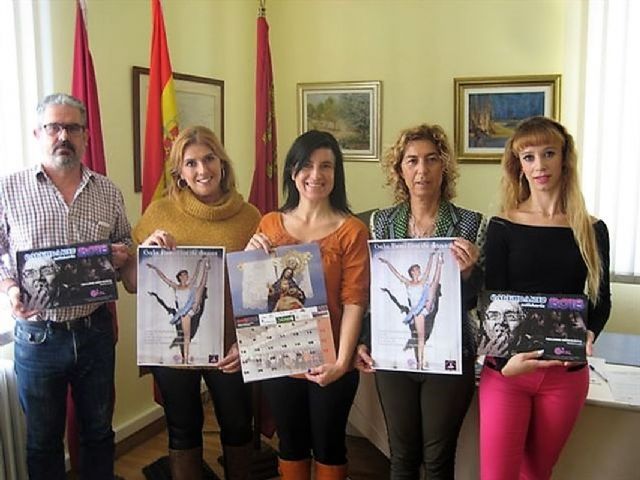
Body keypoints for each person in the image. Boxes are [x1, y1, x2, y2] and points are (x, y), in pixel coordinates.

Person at [0, 93, 133, 480]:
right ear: (37, 134)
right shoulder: (8, 190)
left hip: (94, 331)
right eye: (53, 127)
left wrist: (121, 254)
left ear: (86, 136)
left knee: (98, 433)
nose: (63, 136)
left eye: (72, 128)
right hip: (38, 337)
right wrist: (10, 290)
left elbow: (125, 241)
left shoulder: (107, 191)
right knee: (43, 442)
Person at [479, 116, 611, 480]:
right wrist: (505, 365)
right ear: (519, 166)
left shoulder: (593, 229)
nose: (540, 165)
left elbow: (601, 300)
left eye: (548, 153)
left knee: (536, 474)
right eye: (529, 157)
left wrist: (590, 333)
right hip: (507, 373)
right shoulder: (502, 226)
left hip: (565, 375)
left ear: (564, 158)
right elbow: (494, 301)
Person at [125, 125, 260, 480]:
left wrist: (246, 342)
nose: (202, 170)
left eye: (209, 159)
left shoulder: (250, 217)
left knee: (238, 425)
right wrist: (146, 252)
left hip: (231, 346)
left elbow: (260, 292)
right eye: (191, 163)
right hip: (176, 348)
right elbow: (132, 284)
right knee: (183, 427)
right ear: (179, 173)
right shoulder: (159, 213)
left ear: (222, 163)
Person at [355, 123, 486, 479]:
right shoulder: (382, 223)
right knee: (401, 455)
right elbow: (374, 292)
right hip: (394, 352)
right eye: (412, 160)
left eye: (431, 159)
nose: (422, 170)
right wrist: (364, 338)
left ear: (444, 166)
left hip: (450, 352)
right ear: (399, 169)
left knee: (438, 459)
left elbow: (479, 301)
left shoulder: (471, 224)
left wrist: (470, 273)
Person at [246, 130, 370, 480]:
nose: (316, 174)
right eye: (307, 165)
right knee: (291, 444)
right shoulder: (269, 224)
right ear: (292, 171)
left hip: (331, 360)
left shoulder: (352, 230)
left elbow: (354, 300)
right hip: (280, 356)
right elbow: (256, 298)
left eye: (326, 166)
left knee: (330, 445)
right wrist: (251, 261)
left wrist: (341, 363)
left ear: (336, 173)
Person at [378, 252, 445, 370]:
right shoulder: (408, 283)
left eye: (419, 270)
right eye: (417, 269)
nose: (419, 271)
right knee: (421, 337)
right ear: (412, 272)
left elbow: (428, 270)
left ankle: (439, 263)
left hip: (426, 305)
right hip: (417, 311)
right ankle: (420, 362)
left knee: (434, 284)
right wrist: (387, 263)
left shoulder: (422, 281)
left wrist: (431, 257)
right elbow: (396, 274)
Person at [146, 256, 210, 364]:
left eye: (186, 275)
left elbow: (196, 275)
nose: (185, 276)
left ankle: (206, 268)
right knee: (186, 336)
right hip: (184, 312)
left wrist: (199, 263)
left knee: (201, 286)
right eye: (183, 275)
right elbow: (164, 278)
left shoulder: (190, 285)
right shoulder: (175, 286)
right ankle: (186, 358)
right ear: (180, 277)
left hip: (192, 307)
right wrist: (154, 268)